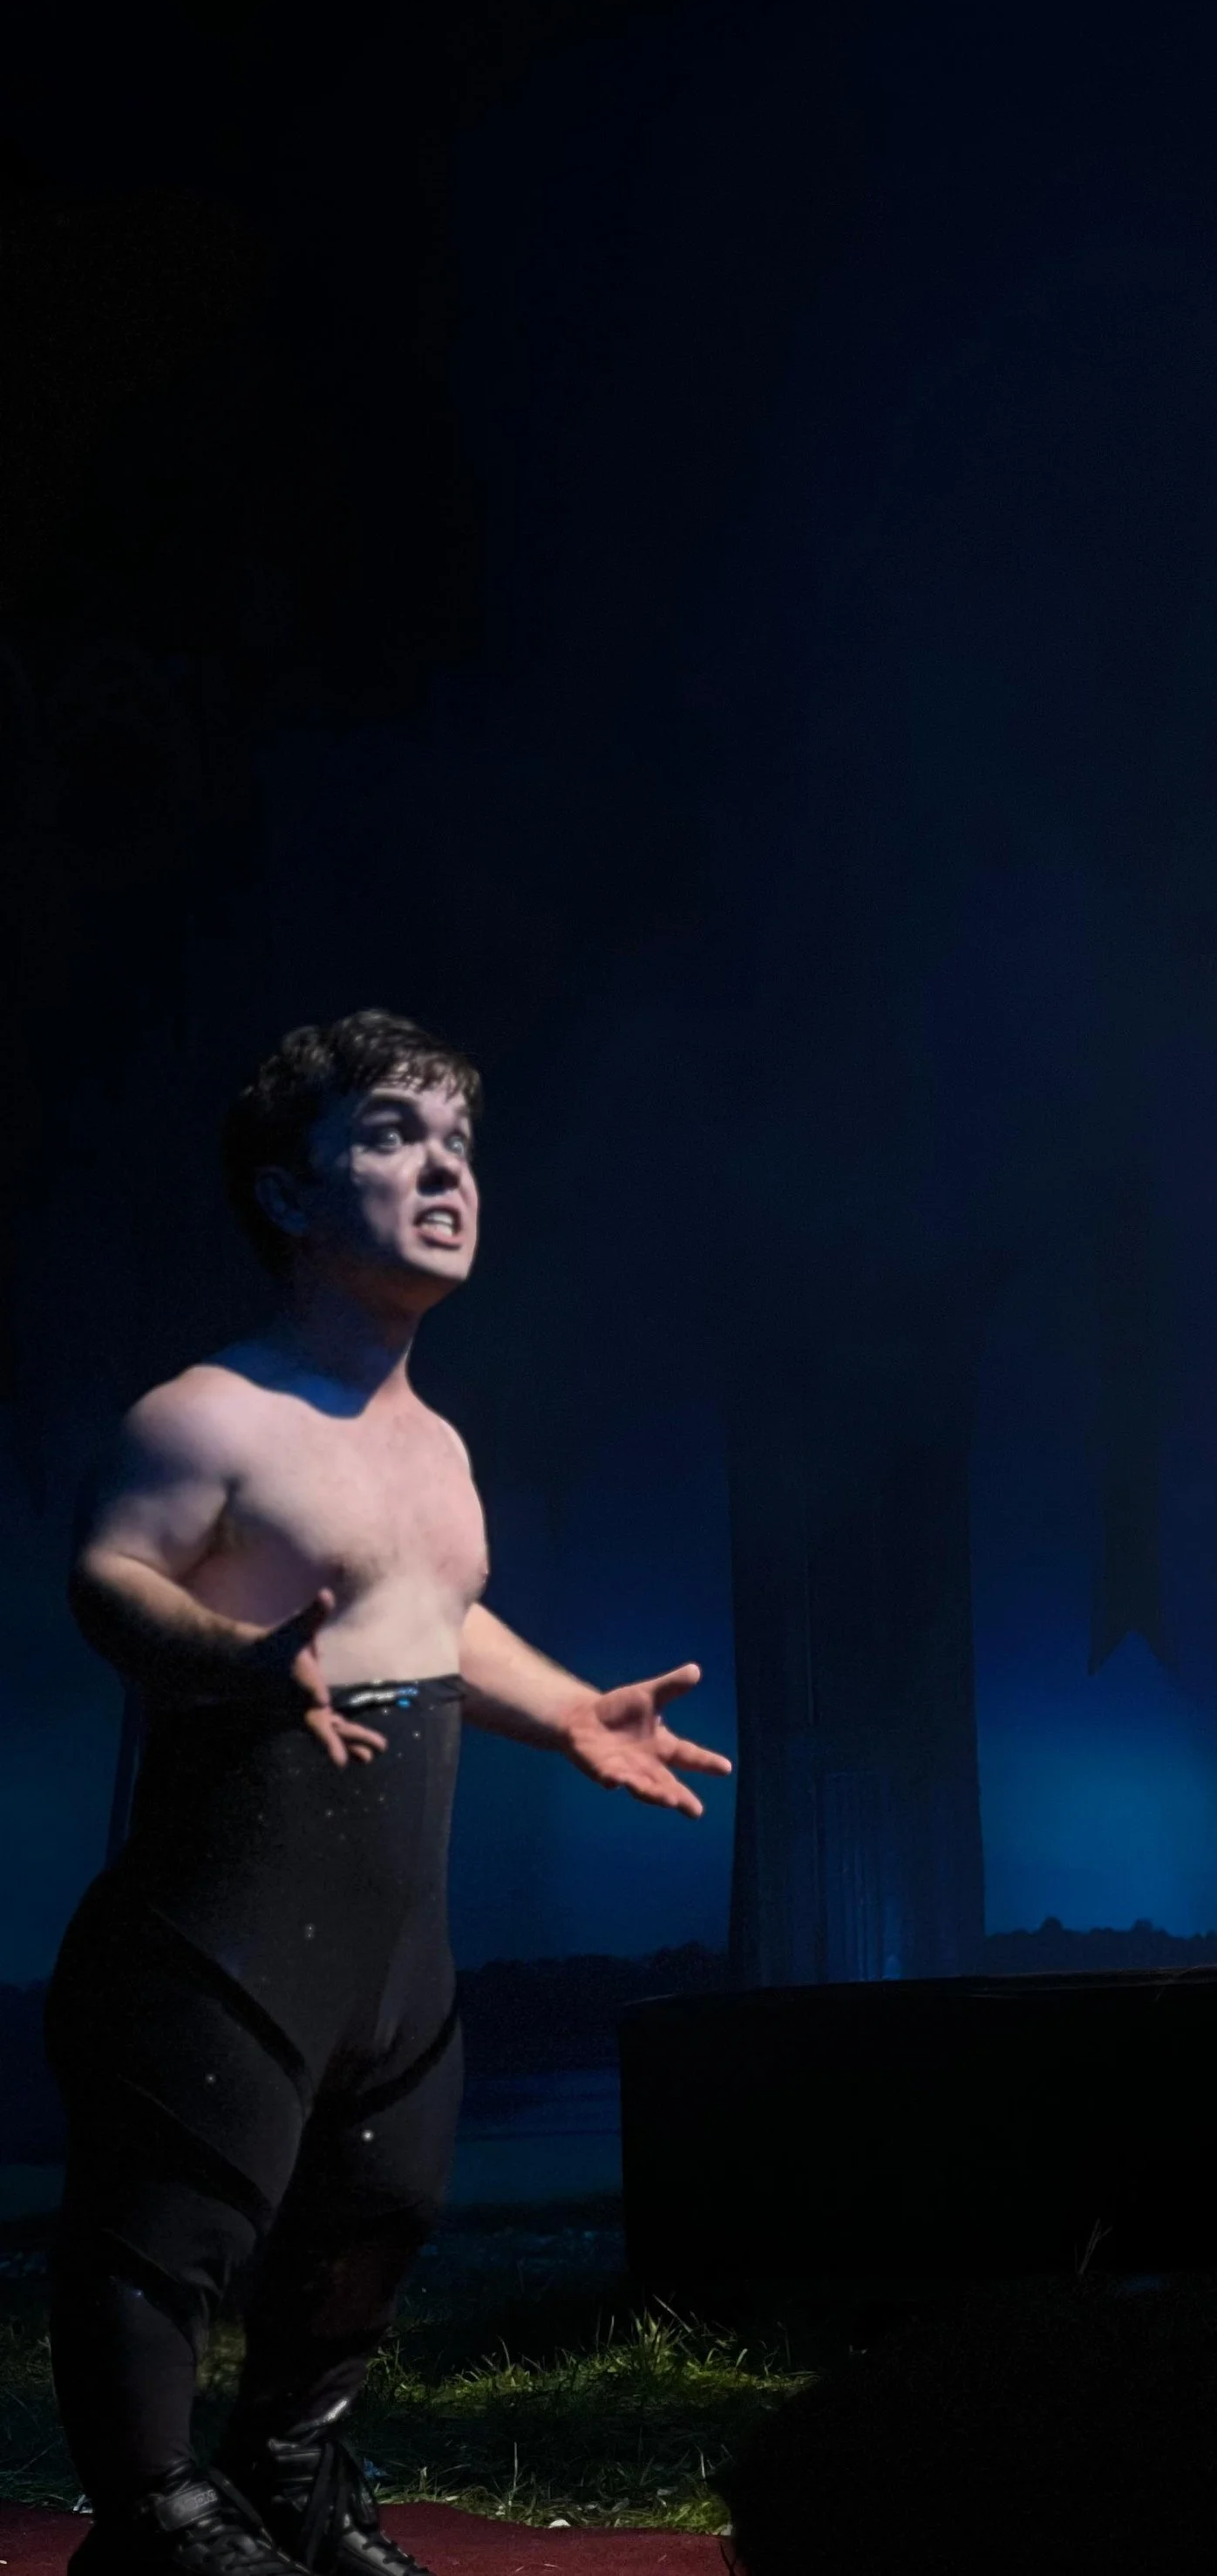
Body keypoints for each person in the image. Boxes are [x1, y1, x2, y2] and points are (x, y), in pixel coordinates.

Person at [44, 1012, 732, 2576]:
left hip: (391, 1939)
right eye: (392, 1138)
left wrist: (570, 1715)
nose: (445, 1172)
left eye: (461, 1144)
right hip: (225, 1919)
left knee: (383, 2203)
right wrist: (226, 1652)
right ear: (289, 1199)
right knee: (181, 2217)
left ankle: (288, 2476)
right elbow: (105, 1579)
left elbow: (435, 1616)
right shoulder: (210, 1415)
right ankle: (153, 2517)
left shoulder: (435, 1444)